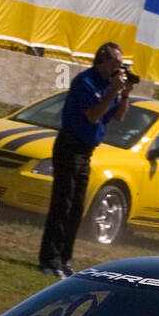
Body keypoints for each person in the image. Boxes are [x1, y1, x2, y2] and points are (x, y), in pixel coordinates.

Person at [38, 42, 133, 279]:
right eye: (115, 63)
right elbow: (92, 116)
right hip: (69, 146)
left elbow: (119, 117)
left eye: (121, 65)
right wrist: (113, 90)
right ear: (102, 61)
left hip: (87, 151)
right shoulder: (85, 82)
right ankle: (50, 259)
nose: (118, 68)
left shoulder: (108, 86)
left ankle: (65, 258)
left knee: (78, 206)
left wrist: (125, 94)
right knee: (63, 203)